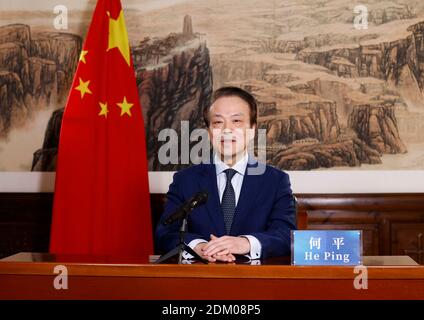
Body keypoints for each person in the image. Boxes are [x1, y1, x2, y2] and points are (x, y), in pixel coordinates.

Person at [155, 86, 296, 262]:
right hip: (199, 281)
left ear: (253, 129)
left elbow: (286, 236)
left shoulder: (275, 181)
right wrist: (199, 247)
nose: (226, 130)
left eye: (236, 121)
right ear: (208, 132)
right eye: (218, 122)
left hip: (256, 283)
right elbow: (165, 233)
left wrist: (244, 243)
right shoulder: (185, 180)